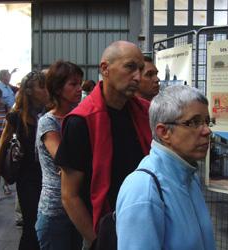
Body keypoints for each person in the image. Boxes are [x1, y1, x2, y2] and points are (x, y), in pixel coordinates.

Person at [55, 40, 152, 248]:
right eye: (130, 67)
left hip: (145, 224)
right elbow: (69, 195)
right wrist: (98, 241)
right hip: (106, 230)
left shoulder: (146, 113)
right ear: (105, 69)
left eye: (141, 69)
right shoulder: (81, 121)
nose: (138, 76)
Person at [116, 85, 216, 250]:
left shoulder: (189, 177)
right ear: (164, 132)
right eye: (195, 122)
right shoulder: (144, 189)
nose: (207, 130)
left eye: (206, 121)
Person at [0, 70, 49, 250]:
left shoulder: (49, 113)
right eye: (42, 87)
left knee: (44, 225)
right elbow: (0, 149)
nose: (47, 90)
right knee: (32, 225)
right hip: (27, 178)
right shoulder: (16, 116)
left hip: (47, 179)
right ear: (29, 91)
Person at [35, 60, 83, 249]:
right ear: (57, 88)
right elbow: (64, 159)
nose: (79, 89)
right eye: (73, 84)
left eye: (80, 83)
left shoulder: (78, 117)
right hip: (54, 211)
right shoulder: (48, 123)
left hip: (77, 206)